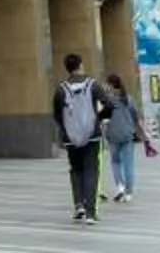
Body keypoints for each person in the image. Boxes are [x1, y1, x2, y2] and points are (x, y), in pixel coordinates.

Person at [54, 53, 105, 224]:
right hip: (92, 135)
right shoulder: (93, 85)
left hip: (71, 137)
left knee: (76, 170)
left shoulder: (61, 89)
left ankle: (79, 206)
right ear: (81, 65)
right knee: (91, 170)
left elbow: (57, 114)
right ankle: (91, 213)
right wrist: (98, 118)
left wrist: (66, 128)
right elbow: (109, 104)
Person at [102, 73, 145, 201]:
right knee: (128, 163)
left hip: (112, 134)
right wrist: (142, 132)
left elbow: (102, 116)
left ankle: (120, 186)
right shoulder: (128, 99)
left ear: (109, 85)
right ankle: (129, 193)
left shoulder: (107, 100)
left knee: (115, 161)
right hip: (127, 134)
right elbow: (136, 118)